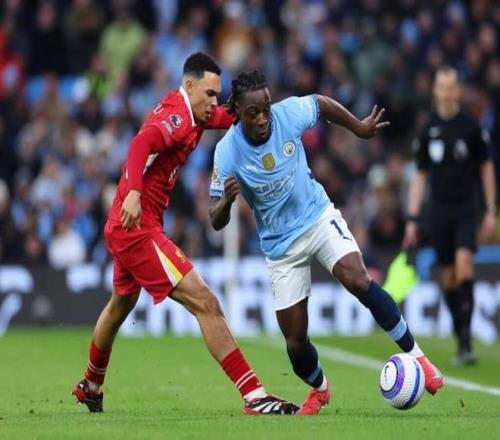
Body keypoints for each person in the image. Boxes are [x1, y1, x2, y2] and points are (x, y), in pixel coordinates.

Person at [72, 53, 298, 416]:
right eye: (209, 93)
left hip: (129, 225)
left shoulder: (195, 114)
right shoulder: (176, 118)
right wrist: (133, 192)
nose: (214, 101)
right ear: (189, 86)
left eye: (217, 94)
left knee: (120, 305)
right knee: (205, 302)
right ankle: (255, 396)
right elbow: (140, 144)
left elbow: (227, 116)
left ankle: (91, 385)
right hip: (138, 228)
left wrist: (262, 111)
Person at [208, 70, 443, 416]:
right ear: (237, 112)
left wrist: (358, 127)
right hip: (281, 248)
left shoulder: (288, 114)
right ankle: (319, 389)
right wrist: (227, 202)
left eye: (266, 109)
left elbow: (320, 104)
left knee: (358, 279)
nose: (262, 119)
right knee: (295, 343)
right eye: (253, 113)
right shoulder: (227, 151)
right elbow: (215, 219)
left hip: (317, 217)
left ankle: (419, 358)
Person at [403, 66, 496, 366]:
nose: (446, 92)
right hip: (438, 212)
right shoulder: (427, 129)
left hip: (466, 208)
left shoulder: (470, 127)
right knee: (449, 277)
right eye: (441, 86)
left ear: (457, 90)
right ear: (435, 90)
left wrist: (490, 209)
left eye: (450, 86)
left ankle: (466, 341)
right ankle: (461, 334)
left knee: (464, 265)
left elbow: (486, 167)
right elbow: (419, 176)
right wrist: (413, 218)